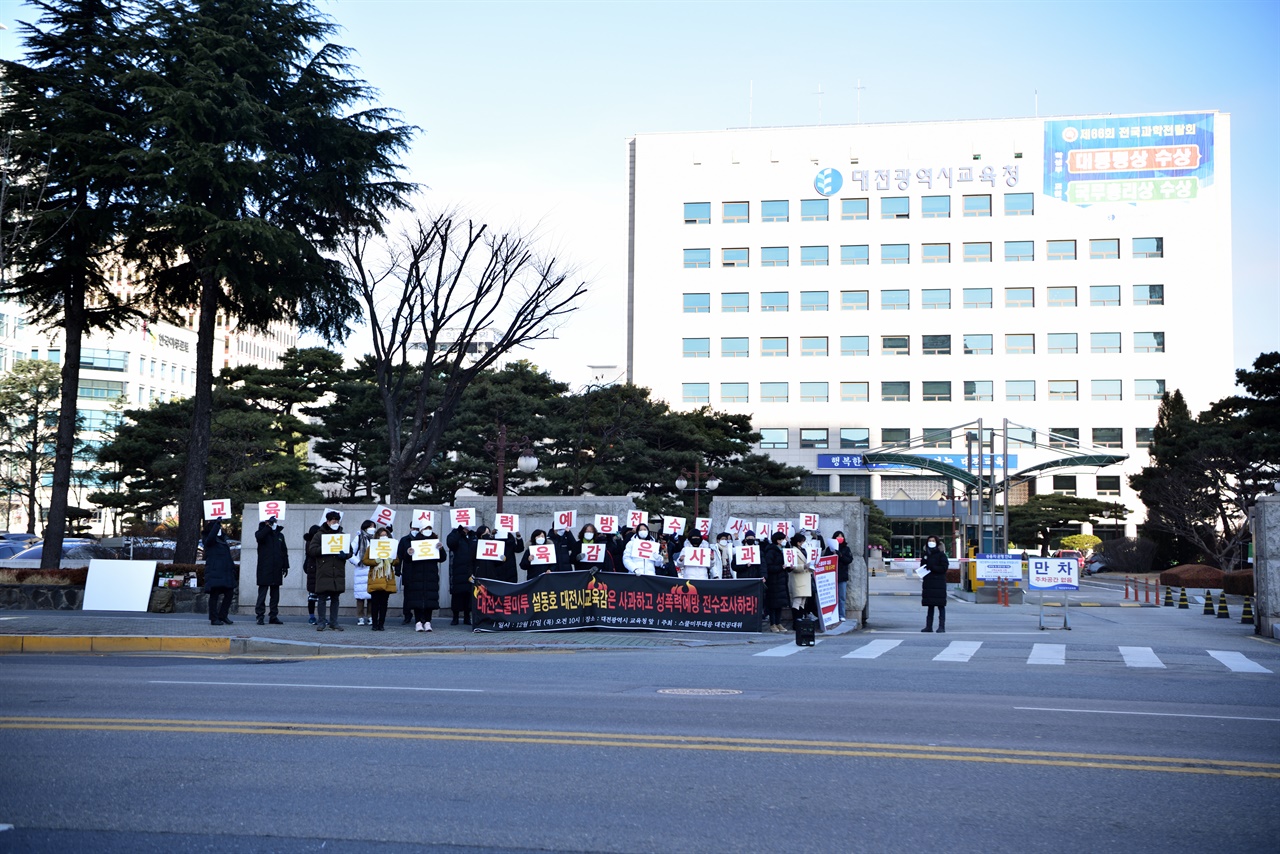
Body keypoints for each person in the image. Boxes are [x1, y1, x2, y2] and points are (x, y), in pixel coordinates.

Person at [306, 510, 351, 631]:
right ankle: (321, 622)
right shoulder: (319, 535)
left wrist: (345, 555)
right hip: (324, 570)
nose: (335, 523)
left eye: (337, 521)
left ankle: (334, 622)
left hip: (337, 571)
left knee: (335, 598)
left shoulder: (342, 535)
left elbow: (350, 551)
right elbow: (312, 550)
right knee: (322, 598)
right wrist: (325, 548)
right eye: (333, 521)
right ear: (328, 521)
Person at [398, 525, 444, 632]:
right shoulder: (414, 541)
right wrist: (409, 553)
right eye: (425, 529)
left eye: (429, 528)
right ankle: (418, 622)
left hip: (431, 576)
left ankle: (428, 622)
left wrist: (440, 549)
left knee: (430, 600)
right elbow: (407, 559)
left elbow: (442, 558)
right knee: (417, 600)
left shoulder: (434, 541)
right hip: (416, 575)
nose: (427, 531)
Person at [253, 515, 289, 625]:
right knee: (262, 593)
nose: (274, 523)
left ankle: (273, 616)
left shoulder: (280, 535)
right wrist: (267, 526)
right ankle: (260, 615)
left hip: (277, 568)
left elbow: (284, 551)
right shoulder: (261, 533)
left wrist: (285, 566)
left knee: (275, 594)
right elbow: (259, 537)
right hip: (265, 568)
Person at [202, 520, 236, 626]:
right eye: (218, 528)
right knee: (214, 595)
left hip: (225, 573)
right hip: (215, 572)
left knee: (229, 593)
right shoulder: (209, 540)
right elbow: (210, 539)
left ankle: (223, 615)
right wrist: (216, 524)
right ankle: (214, 618)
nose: (220, 530)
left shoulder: (222, 541)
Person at [446, 522, 477, 625]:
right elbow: (451, 543)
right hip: (458, 568)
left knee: (469, 593)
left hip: (471, 569)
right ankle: (455, 617)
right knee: (457, 594)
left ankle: (467, 617)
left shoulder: (473, 535)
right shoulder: (455, 534)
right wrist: (459, 531)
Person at [920, 535, 949, 633]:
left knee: (941, 605)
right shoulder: (925, 554)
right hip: (929, 583)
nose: (931, 542)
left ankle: (941, 626)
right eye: (929, 540)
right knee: (930, 605)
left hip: (939, 583)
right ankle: (928, 626)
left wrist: (933, 567)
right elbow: (922, 566)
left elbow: (944, 568)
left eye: (933, 540)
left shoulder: (941, 555)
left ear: (937, 543)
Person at [762, 531, 789, 632]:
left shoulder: (783, 550)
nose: (784, 541)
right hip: (774, 581)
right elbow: (769, 566)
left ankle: (779, 623)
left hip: (782, 580)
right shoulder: (771, 551)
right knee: (773, 604)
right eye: (782, 539)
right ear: (778, 540)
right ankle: (773, 624)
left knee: (780, 604)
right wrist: (780, 567)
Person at [350, 519, 375, 625]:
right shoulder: (359, 538)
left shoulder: (376, 539)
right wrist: (358, 562)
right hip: (361, 570)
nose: (372, 528)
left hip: (373, 568)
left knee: (371, 595)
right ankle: (360, 617)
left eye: (374, 526)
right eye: (370, 526)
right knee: (360, 596)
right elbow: (350, 552)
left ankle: (370, 616)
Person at [833, 530, 854, 622]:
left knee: (842, 597)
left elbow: (849, 560)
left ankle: (841, 615)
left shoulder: (846, 549)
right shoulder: (830, 548)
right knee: (833, 597)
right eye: (837, 536)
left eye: (841, 536)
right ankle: (833, 615)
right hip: (832, 576)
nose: (839, 538)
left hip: (842, 576)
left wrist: (840, 555)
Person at [302, 524, 320, 624]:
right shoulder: (310, 543)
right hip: (313, 570)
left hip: (319, 570)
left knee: (322, 597)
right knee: (312, 596)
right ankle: (312, 616)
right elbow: (313, 553)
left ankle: (321, 616)